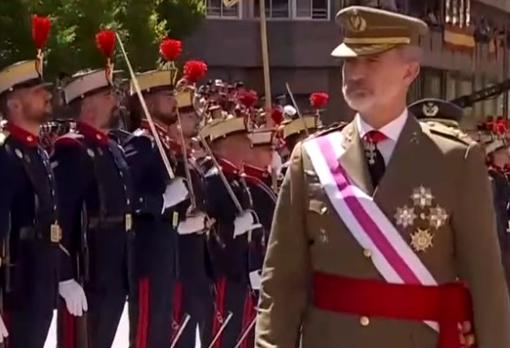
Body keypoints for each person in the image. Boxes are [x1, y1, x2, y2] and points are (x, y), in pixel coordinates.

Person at [255, 6, 510, 348]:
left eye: (371, 61)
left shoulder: (455, 160)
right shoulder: (311, 159)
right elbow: (282, 284)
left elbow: (486, 283)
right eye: (349, 61)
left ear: (410, 71)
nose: (355, 73)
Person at [52, 67, 133, 348]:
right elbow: (59, 215)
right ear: (88, 107)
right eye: (109, 95)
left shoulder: (113, 149)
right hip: (88, 271)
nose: (117, 101)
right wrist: (64, 276)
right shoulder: (72, 151)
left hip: (115, 269)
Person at [124, 68, 190, 348]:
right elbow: (126, 195)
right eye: (168, 95)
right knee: (148, 330)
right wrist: (162, 201)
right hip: (148, 250)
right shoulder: (142, 142)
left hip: (166, 248)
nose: (175, 100)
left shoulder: (163, 143)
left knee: (162, 328)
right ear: (149, 103)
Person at [0, 59, 61, 346]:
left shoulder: (38, 153)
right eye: (37, 91)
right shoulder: (5, 155)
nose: (48, 96)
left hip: (39, 281)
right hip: (15, 286)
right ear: (14, 104)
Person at [200, 95, 263, 348]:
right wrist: (234, 228)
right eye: (242, 140)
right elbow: (208, 226)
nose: (249, 145)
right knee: (221, 338)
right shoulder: (215, 180)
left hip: (242, 270)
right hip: (224, 270)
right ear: (225, 145)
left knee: (239, 338)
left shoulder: (236, 178)